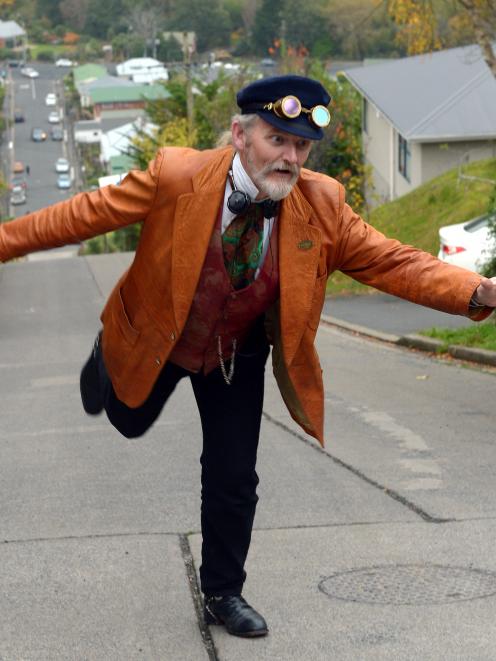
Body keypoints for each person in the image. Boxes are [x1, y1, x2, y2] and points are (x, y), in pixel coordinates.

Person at [0, 75, 495, 638]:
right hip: (160, 337)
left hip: (237, 352)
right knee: (128, 418)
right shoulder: (176, 175)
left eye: (301, 147)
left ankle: (222, 591)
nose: (289, 158)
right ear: (240, 134)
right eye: (276, 140)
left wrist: (477, 291)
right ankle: (106, 356)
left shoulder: (322, 205)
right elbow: (82, 215)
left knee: (234, 475)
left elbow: (395, 261)